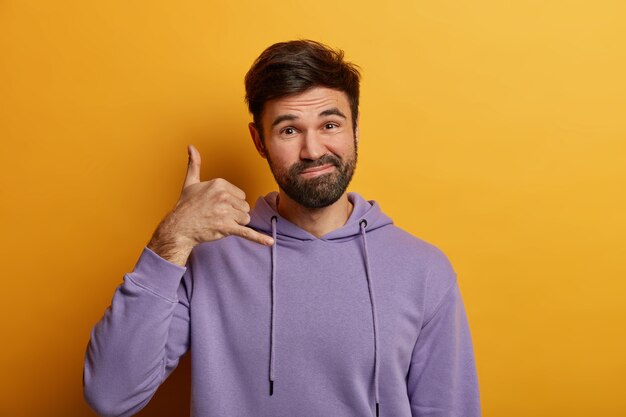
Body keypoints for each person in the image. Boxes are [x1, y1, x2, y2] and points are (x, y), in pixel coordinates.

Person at [83, 39, 481, 417]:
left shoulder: (423, 270)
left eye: (330, 125)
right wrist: (173, 237)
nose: (313, 151)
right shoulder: (208, 258)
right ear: (259, 141)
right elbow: (110, 395)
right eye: (289, 130)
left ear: (355, 129)